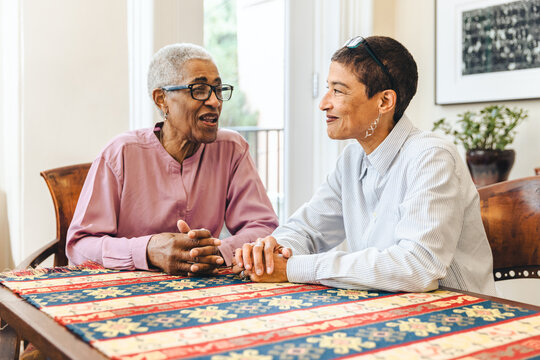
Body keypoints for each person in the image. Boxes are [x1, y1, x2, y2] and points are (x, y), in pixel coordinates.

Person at [233, 36, 496, 294]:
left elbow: (417, 267)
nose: (324, 103)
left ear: (384, 102)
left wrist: (294, 268)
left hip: (458, 318)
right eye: (328, 88)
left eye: (338, 90)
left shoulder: (432, 158)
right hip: (387, 313)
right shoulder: (351, 160)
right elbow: (307, 229)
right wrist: (270, 251)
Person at [67, 43, 278, 275]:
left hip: (205, 291)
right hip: (127, 293)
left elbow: (264, 227)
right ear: (161, 99)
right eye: (199, 90)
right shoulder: (120, 153)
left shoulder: (232, 149)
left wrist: (218, 251)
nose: (215, 102)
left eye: (218, 90)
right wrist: (147, 250)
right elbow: (79, 246)